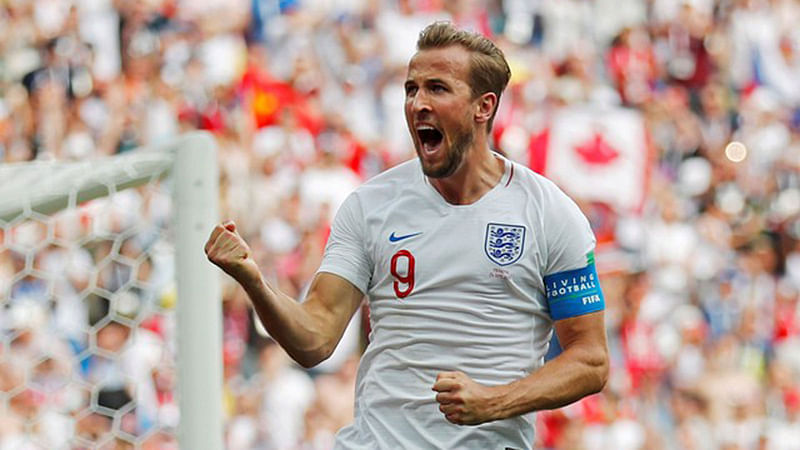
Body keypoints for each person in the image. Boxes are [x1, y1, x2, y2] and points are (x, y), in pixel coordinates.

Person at [205, 21, 609, 449]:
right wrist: (253, 280)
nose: (418, 103)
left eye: (437, 89)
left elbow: (590, 360)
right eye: (411, 89)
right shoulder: (371, 205)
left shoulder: (550, 214)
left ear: (483, 106)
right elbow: (316, 338)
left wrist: (495, 402)